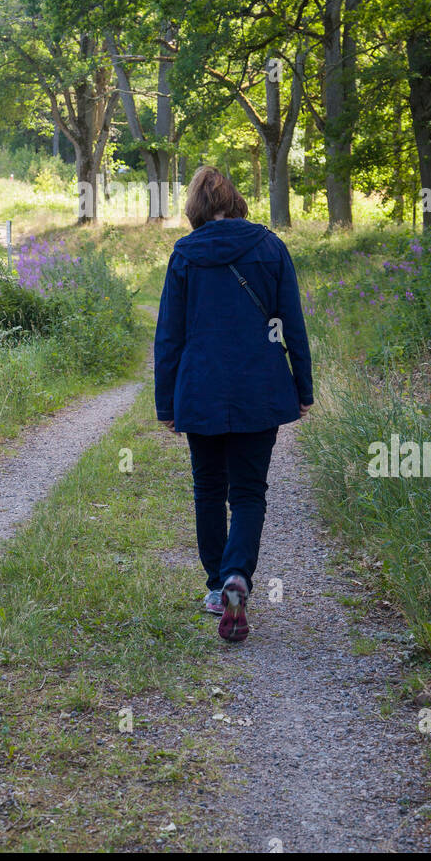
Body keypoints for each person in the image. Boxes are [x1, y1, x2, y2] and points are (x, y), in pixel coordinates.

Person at [154, 165, 313, 644]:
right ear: (237, 200)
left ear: (196, 208)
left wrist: (167, 402)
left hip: (200, 388)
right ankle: (238, 575)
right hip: (259, 388)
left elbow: (169, 336)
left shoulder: (184, 254)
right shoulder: (270, 247)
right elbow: (293, 325)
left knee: (208, 487)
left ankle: (214, 584)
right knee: (248, 491)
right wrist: (302, 389)